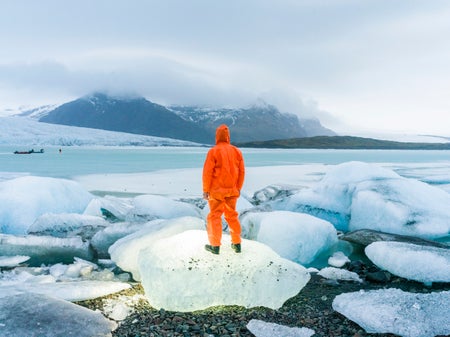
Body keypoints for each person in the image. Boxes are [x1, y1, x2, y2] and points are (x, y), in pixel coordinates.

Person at [202, 124, 245, 255]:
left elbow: (207, 172)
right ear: (228, 136)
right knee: (232, 215)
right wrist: (238, 188)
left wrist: (206, 189)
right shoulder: (236, 151)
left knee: (214, 216)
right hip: (232, 190)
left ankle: (215, 246)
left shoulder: (213, 151)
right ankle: (236, 244)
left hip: (216, 192)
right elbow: (242, 172)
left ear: (217, 136)